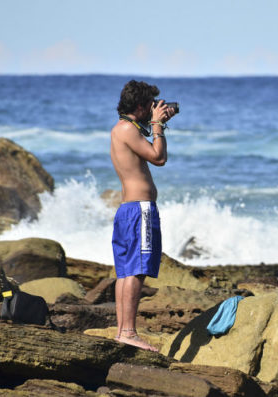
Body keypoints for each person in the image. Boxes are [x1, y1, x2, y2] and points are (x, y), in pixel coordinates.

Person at [109, 80, 175, 351]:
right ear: (140, 105)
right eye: (151, 105)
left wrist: (158, 123)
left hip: (128, 210)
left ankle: (123, 331)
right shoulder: (127, 129)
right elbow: (158, 157)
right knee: (136, 271)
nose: (153, 109)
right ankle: (128, 331)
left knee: (126, 271)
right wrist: (158, 125)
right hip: (141, 211)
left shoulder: (121, 128)